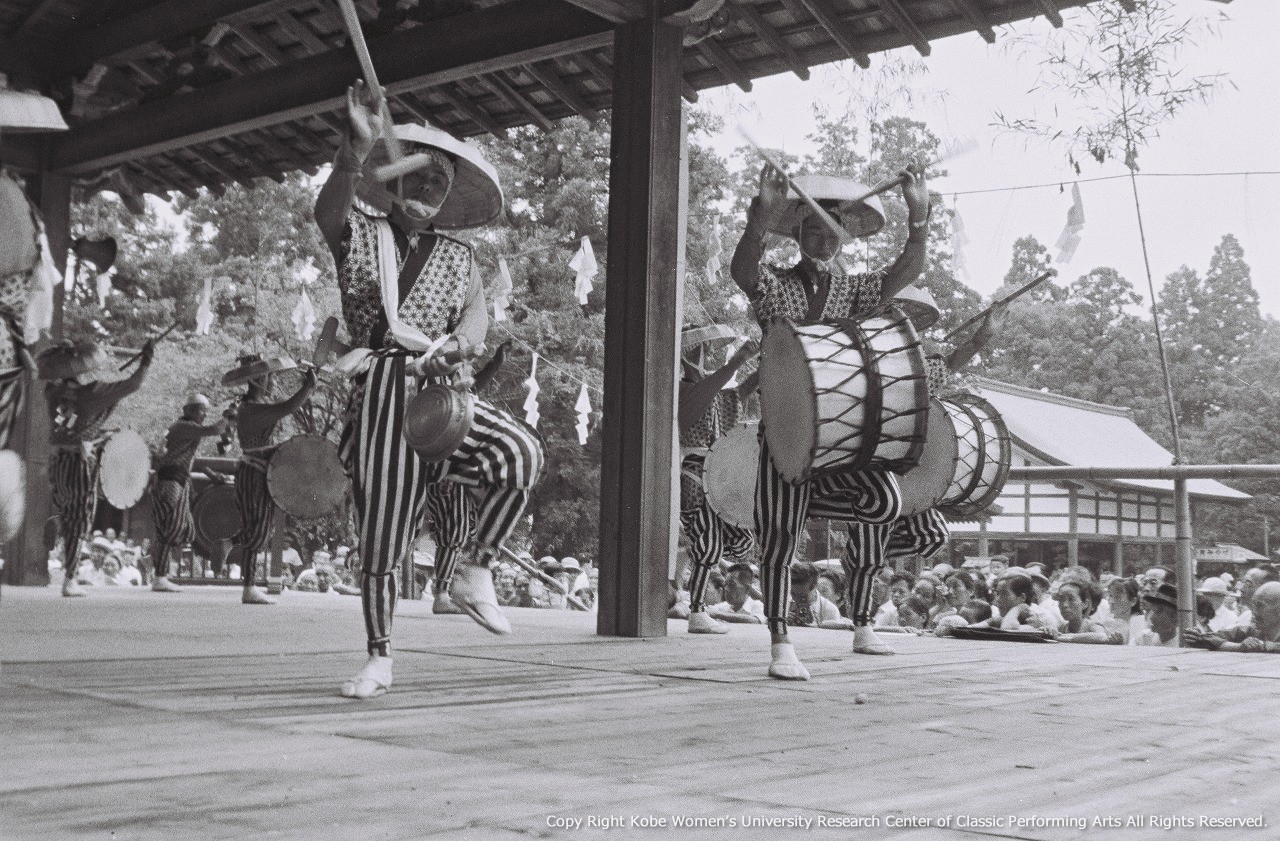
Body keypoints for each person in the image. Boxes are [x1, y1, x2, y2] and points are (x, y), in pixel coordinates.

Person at [314, 81, 543, 699]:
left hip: (440, 388)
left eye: (440, 182)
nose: (430, 187)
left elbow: (474, 325)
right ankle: (379, 656)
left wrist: (460, 349)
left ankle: (475, 567)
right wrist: (351, 154)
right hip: (383, 388)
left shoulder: (459, 258)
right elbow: (325, 215)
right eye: (419, 176)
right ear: (394, 181)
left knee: (521, 453)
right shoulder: (360, 233)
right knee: (385, 535)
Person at [731, 159, 930, 680]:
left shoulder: (854, 291)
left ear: (842, 238)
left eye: (832, 232)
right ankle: (780, 642)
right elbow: (743, 273)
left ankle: (809, 510)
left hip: (843, 429)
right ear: (798, 236)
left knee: (883, 500)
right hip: (787, 427)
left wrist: (918, 218)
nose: (823, 240)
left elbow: (904, 273)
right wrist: (759, 220)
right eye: (813, 230)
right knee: (779, 540)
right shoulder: (777, 285)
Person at [38, 339, 152, 597]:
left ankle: (68, 569)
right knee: (80, 519)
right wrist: (146, 360)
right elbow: (133, 384)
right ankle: (69, 579)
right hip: (78, 463)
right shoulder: (91, 394)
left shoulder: (52, 393)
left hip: (58, 463)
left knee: (68, 515)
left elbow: (71, 422)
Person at [677, 326, 757, 634]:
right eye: (701, 351)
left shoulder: (715, 394)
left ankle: (695, 598)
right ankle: (697, 611)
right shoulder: (685, 391)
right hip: (695, 476)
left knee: (740, 538)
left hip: (717, 475)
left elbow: (741, 391)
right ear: (687, 356)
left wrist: (768, 364)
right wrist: (738, 360)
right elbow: (721, 385)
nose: (707, 355)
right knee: (709, 543)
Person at [222, 355, 316, 605]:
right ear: (258, 380)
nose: (273, 382)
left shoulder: (253, 406)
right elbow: (288, 407)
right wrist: (307, 387)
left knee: (259, 528)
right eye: (270, 377)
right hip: (253, 473)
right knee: (258, 529)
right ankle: (248, 586)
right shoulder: (252, 408)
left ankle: (231, 547)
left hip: (256, 472)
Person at [149, 394, 227, 593]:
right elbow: (215, 429)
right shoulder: (184, 426)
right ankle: (159, 575)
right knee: (169, 528)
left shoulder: (184, 429)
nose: (204, 415)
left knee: (179, 528)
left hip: (176, 480)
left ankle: (158, 570)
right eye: (202, 410)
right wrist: (231, 415)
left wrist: (210, 474)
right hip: (171, 482)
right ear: (188, 410)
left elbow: (190, 459)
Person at [1186, 582, 1280, 653]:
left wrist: (1263, 646)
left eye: (1260, 606)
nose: (1254, 611)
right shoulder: (1247, 632)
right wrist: (1238, 647)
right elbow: (1206, 638)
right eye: (1253, 605)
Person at [787, 562, 853, 629]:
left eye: (803, 595)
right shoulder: (785, 604)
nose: (797, 599)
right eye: (793, 594)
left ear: (814, 587)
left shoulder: (829, 609)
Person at [1135, 582, 1180, 647]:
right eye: (1152, 610)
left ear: (1174, 617)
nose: (1152, 617)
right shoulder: (1143, 638)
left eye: (1158, 611)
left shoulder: (1182, 644)